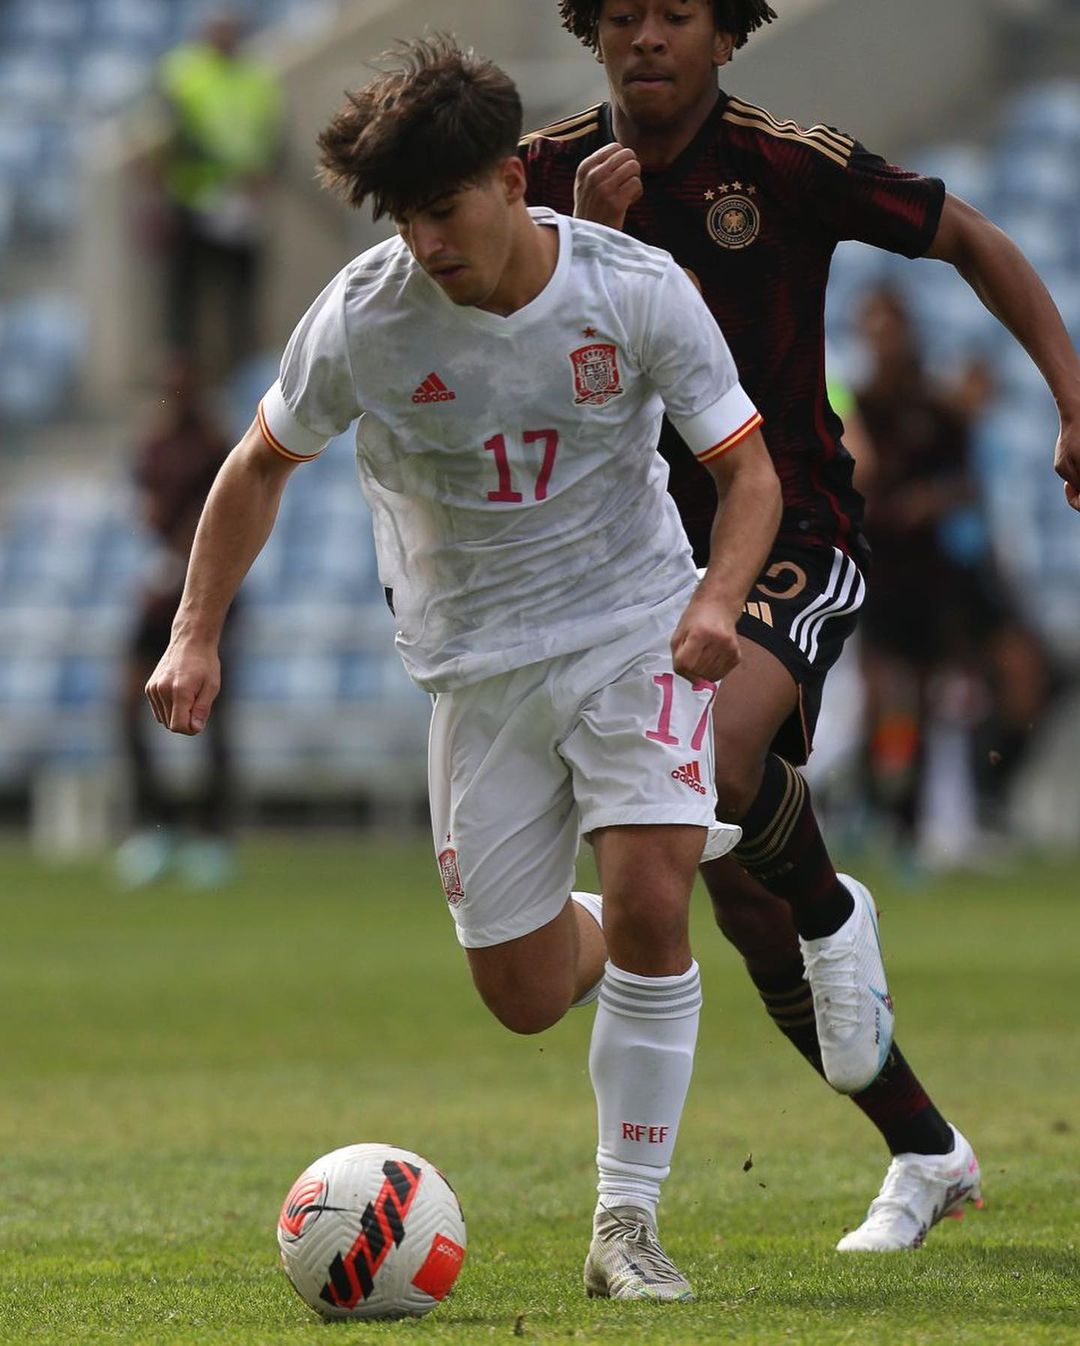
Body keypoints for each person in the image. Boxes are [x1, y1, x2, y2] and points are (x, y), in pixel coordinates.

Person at [145, 37, 782, 1302]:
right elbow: (257, 465)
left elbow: (746, 474)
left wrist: (718, 598)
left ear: (507, 178)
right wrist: (194, 627)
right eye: (403, 216)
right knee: (526, 991)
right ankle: (616, 896)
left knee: (658, 899)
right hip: (475, 666)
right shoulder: (364, 318)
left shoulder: (635, 289)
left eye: (443, 209)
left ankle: (627, 1225)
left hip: (630, 626)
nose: (426, 241)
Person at [522, 0, 1080, 1251]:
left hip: (787, 533)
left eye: (676, 14)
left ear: (726, 37)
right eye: (623, 15)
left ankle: (838, 915)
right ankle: (926, 1147)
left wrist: (1071, 391)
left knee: (712, 759)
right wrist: (581, 248)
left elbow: (970, 236)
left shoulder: (786, 165)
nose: (647, 37)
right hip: (627, 568)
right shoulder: (543, 178)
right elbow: (497, 349)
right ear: (590, 33)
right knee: (729, 889)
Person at [115, 354, 238, 890]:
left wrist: (184, 561)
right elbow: (146, 510)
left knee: (213, 714)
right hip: (160, 593)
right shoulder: (151, 445)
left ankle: (211, 835)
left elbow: (223, 513)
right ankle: (154, 825)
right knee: (126, 704)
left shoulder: (215, 445)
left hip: (209, 592)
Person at [149, 9, 284, 373]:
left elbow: (273, 137)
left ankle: (243, 375)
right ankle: (184, 382)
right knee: (186, 301)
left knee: (241, 300)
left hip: (244, 207)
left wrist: (261, 176)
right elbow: (174, 135)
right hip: (194, 201)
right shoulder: (183, 72)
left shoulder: (257, 78)